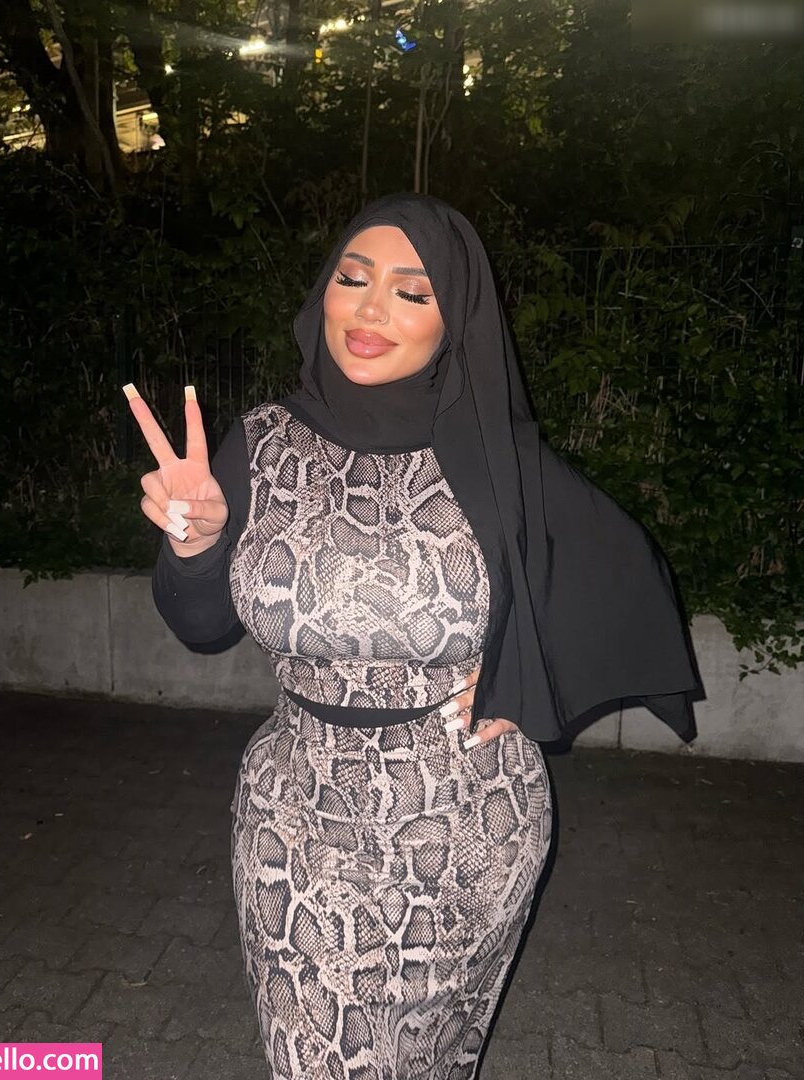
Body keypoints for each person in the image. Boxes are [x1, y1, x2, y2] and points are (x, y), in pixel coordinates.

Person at [124, 193, 700, 1079]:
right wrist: (194, 544)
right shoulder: (263, 445)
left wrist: (529, 684)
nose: (370, 310)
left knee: (435, 1063)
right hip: (296, 817)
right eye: (353, 279)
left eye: (412, 292)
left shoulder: (494, 453)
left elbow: (625, 575)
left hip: (470, 819)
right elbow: (201, 628)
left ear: (453, 318)